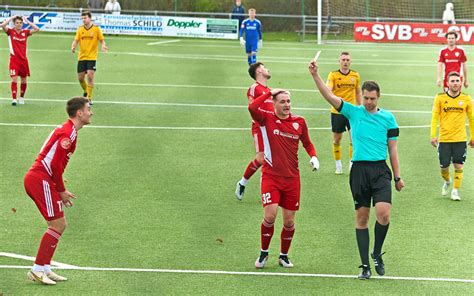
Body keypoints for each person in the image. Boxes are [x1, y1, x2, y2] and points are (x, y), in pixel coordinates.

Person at [309, 60, 404, 280]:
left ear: (378, 97)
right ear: (362, 96)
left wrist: (397, 177)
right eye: (366, 98)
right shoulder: (353, 112)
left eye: (373, 98)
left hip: (381, 170)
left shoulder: (388, 118)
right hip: (359, 171)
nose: (369, 102)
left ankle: (377, 252)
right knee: (362, 218)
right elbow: (329, 97)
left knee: (384, 214)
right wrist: (316, 75)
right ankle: (365, 266)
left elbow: (393, 150)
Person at [24, 97, 92, 285]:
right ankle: (37, 269)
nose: (91, 113)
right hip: (40, 179)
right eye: (88, 109)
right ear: (79, 113)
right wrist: (60, 190)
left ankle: (45, 268)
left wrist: (57, 187)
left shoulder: (70, 131)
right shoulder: (68, 133)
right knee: (57, 225)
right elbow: (54, 165)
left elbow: (56, 164)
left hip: (45, 180)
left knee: (59, 224)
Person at [249, 88, 320, 269]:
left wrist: (313, 156)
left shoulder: (299, 122)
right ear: (274, 103)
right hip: (271, 177)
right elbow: (252, 107)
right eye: (282, 101)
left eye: (288, 101)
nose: (287, 105)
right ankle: (264, 253)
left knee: (289, 221)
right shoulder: (266, 119)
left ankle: (283, 256)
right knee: (270, 215)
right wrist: (269, 92)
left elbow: (307, 143)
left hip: (292, 179)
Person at [431, 71, 473, 201]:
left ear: (461, 82)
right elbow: (434, 118)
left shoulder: (466, 98)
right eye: (452, 81)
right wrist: (433, 135)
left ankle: (455, 191)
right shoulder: (440, 98)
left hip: (460, 139)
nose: (455, 83)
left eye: (457, 81)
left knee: (458, 165)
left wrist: (473, 136)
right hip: (444, 139)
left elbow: (472, 119)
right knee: (444, 167)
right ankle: (448, 181)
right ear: (447, 83)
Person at [235, 62, 272, 200]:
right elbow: (252, 107)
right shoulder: (254, 88)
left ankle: (267, 192)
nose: (267, 68)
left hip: (271, 128)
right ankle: (242, 182)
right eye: (264, 66)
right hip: (259, 127)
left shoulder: (269, 90)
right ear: (259, 71)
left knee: (270, 159)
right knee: (262, 158)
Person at [326, 52, 362, 174]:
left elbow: (358, 92)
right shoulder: (333, 75)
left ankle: (352, 164)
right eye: (343, 60)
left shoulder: (355, 75)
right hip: (337, 111)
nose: (345, 62)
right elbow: (328, 90)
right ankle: (338, 164)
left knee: (354, 139)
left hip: (352, 112)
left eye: (347, 60)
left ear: (350, 61)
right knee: (337, 139)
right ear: (339, 61)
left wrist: (360, 106)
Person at [1, 15, 39, 106]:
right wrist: (11, 18)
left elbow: (37, 29)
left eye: (20, 23)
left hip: (23, 60)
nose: (19, 24)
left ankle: (21, 97)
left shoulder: (25, 32)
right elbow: (2, 25)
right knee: (14, 79)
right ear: (14, 24)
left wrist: (27, 21)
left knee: (24, 80)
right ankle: (14, 99)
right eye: (17, 23)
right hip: (14, 60)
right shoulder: (10, 32)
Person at [71, 11, 107, 105]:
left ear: (90, 18)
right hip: (82, 57)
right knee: (81, 79)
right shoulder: (80, 29)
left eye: (85, 18)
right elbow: (76, 40)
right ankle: (86, 91)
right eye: (82, 18)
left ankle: (89, 98)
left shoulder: (96, 29)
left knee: (90, 76)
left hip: (92, 57)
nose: (83, 20)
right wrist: (73, 46)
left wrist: (103, 46)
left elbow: (102, 40)